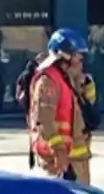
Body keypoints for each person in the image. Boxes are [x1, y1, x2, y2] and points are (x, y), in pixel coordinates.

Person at [29, 28, 92, 183]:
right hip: (61, 163)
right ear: (65, 56)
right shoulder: (48, 81)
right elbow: (43, 119)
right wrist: (58, 150)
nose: (81, 60)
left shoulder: (68, 80)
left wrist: (83, 85)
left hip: (76, 160)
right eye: (78, 55)